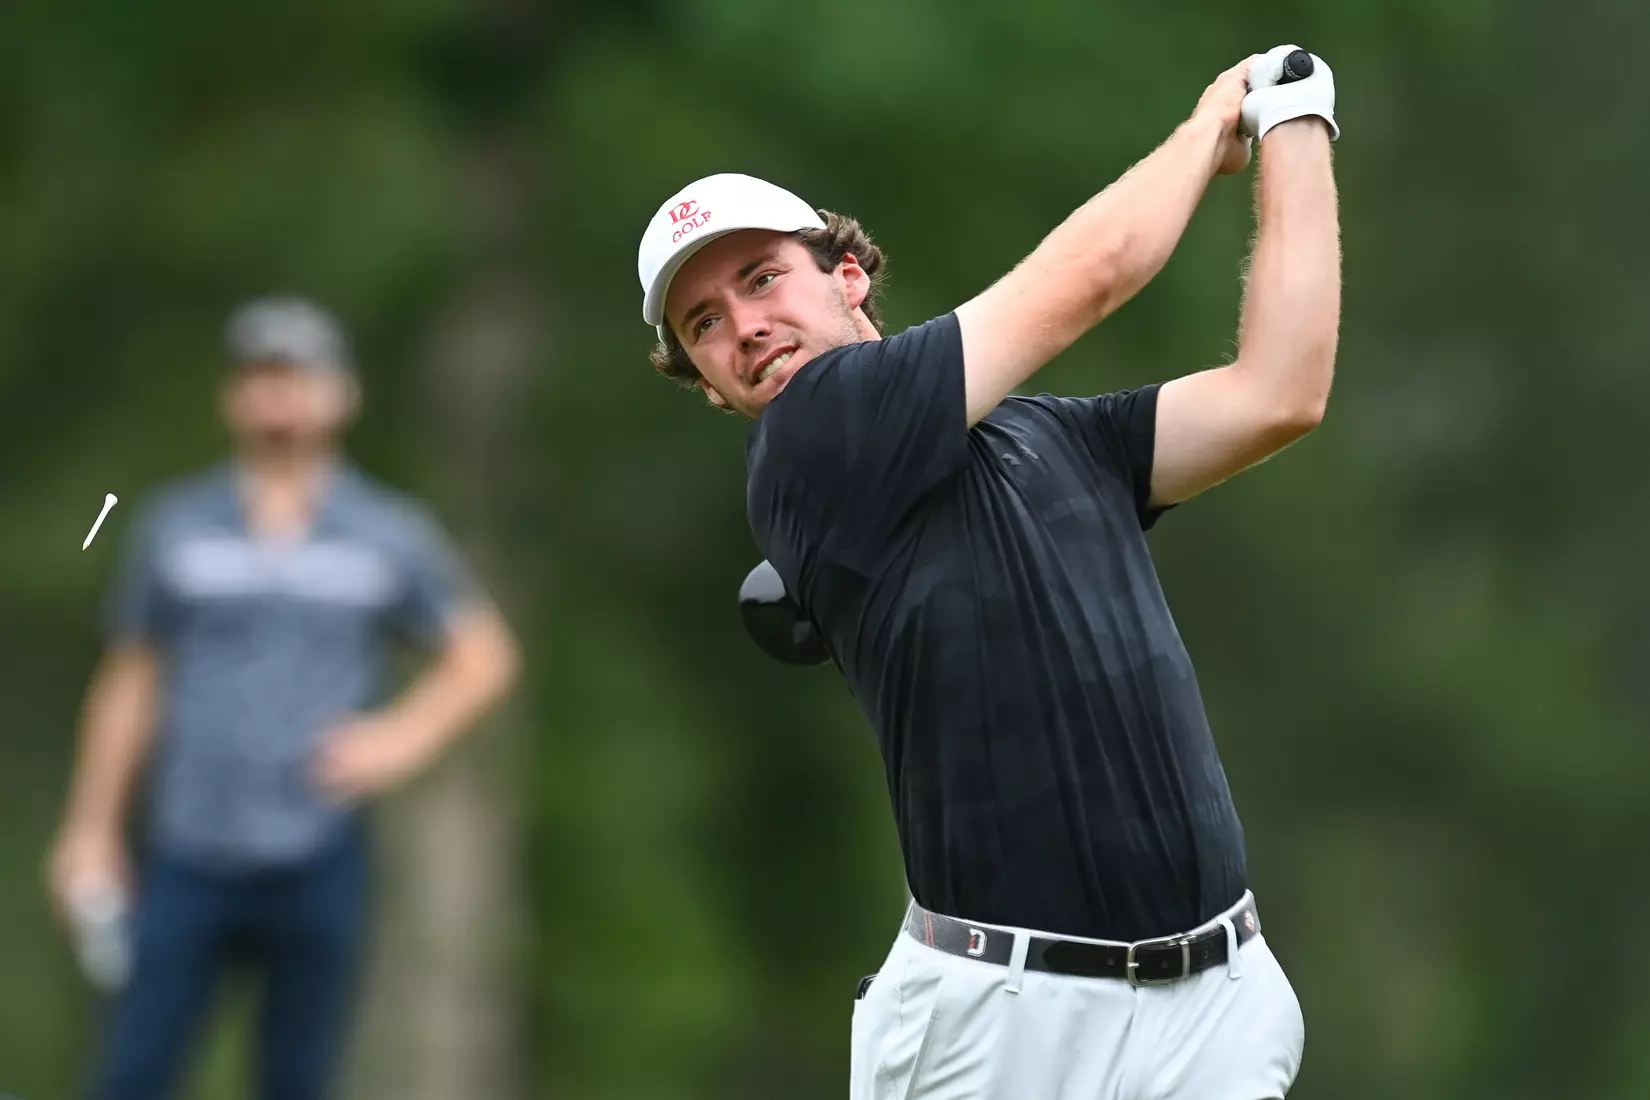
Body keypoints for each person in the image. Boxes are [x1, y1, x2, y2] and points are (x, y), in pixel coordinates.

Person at [635, 43, 1340, 1100]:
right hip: (1002, 1028)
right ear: (707, 382)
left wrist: (1295, 130)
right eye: (704, 325)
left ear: (848, 271)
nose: (745, 327)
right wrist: (1211, 128)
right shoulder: (809, 441)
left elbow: (1279, 391)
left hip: (1213, 998)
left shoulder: (1057, 438)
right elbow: (1096, 273)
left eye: (761, 277)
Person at [45, 295, 520, 1100]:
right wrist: (89, 830)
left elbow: (482, 655)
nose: (280, 398)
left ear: (343, 394)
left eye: (299, 377)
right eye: (261, 378)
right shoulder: (175, 527)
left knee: (299, 1080)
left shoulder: (386, 532)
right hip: (187, 847)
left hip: (318, 852)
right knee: (133, 1073)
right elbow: (129, 680)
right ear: (233, 396)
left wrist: (399, 739)